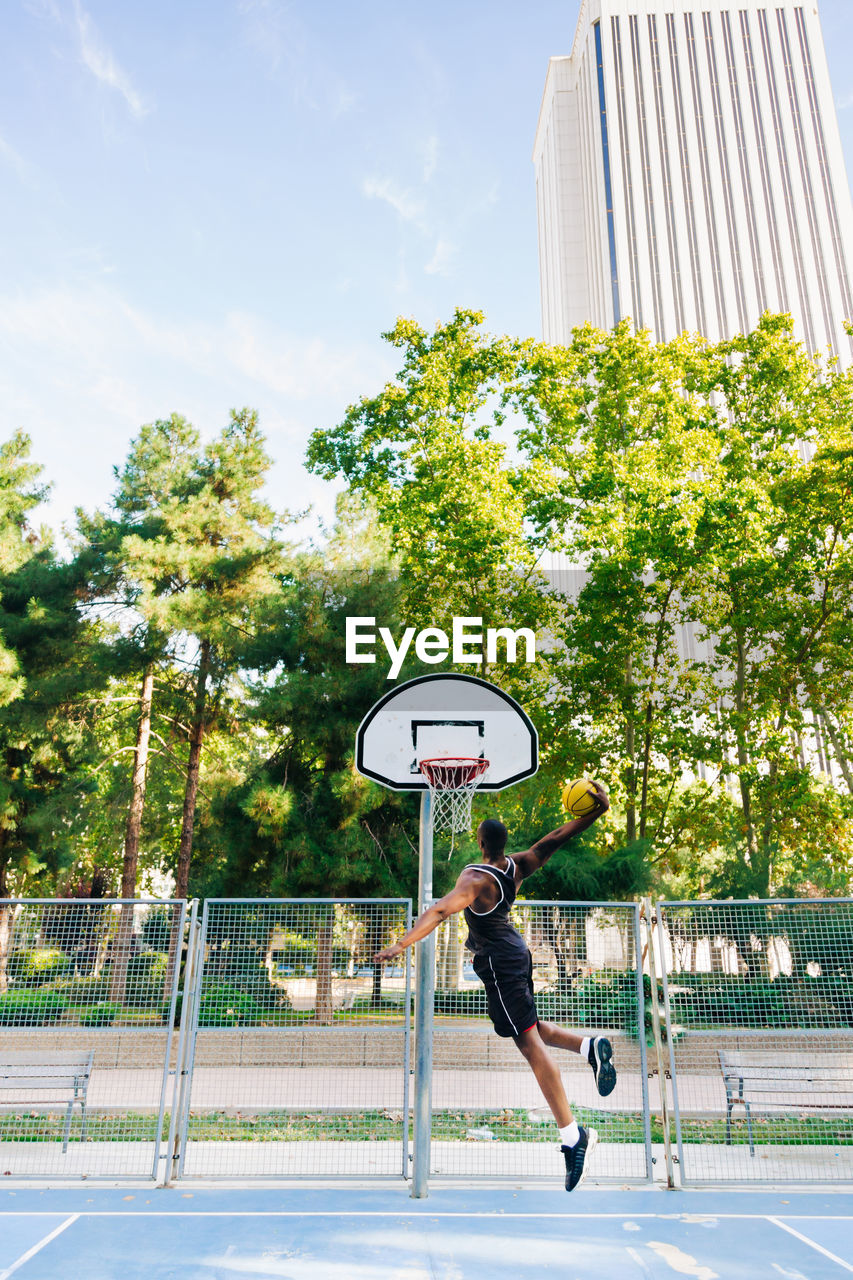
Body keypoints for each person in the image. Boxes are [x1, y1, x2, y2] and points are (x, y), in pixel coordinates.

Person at [374, 781, 614, 1192]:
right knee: (530, 1028)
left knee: (528, 1045)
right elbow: (556, 837)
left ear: (480, 841)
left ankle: (574, 1138)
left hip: (500, 962)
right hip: (515, 953)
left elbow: (439, 910)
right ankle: (588, 1047)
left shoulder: (473, 878)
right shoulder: (516, 866)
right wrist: (597, 811)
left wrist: (401, 943)